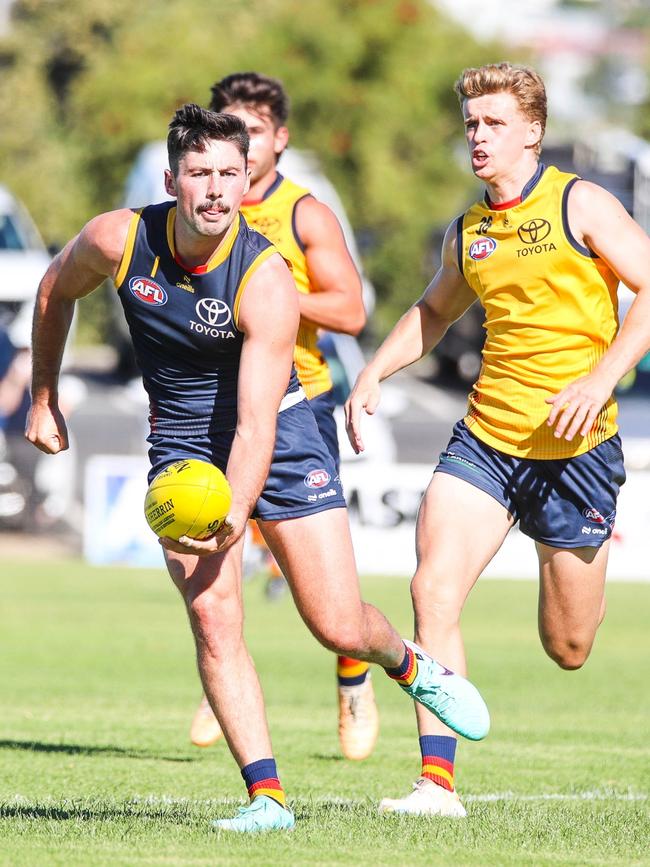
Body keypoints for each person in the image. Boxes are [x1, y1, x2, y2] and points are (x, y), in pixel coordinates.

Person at [26, 104, 489, 833]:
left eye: (229, 175)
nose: (215, 189)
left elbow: (255, 423)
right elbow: (53, 292)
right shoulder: (118, 238)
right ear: (173, 178)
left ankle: (410, 665)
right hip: (181, 445)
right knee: (214, 616)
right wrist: (43, 397)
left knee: (336, 623)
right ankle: (266, 798)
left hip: (284, 429)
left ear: (250, 180)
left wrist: (237, 511)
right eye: (200, 173)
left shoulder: (266, 279)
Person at [345, 61, 650, 818]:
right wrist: (373, 373)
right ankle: (436, 785)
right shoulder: (469, 229)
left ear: (533, 133)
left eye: (494, 124)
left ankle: (575, 562)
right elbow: (433, 310)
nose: (478, 137)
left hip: (577, 451)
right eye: (472, 124)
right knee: (430, 588)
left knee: (568, 645)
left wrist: (600, 378)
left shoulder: (582, 204)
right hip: (487, 439)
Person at [187, 71, 379, 762]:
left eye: (255, 131)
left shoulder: (305, 213)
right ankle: (223, 677)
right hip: (216, 405)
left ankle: (354, 671)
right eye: (229, 128)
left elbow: (353, 311)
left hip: (298, 402)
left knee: (323, 592)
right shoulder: (198, 204)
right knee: (219, 548)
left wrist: (271, 293)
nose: (241, 142)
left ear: (280, 139)